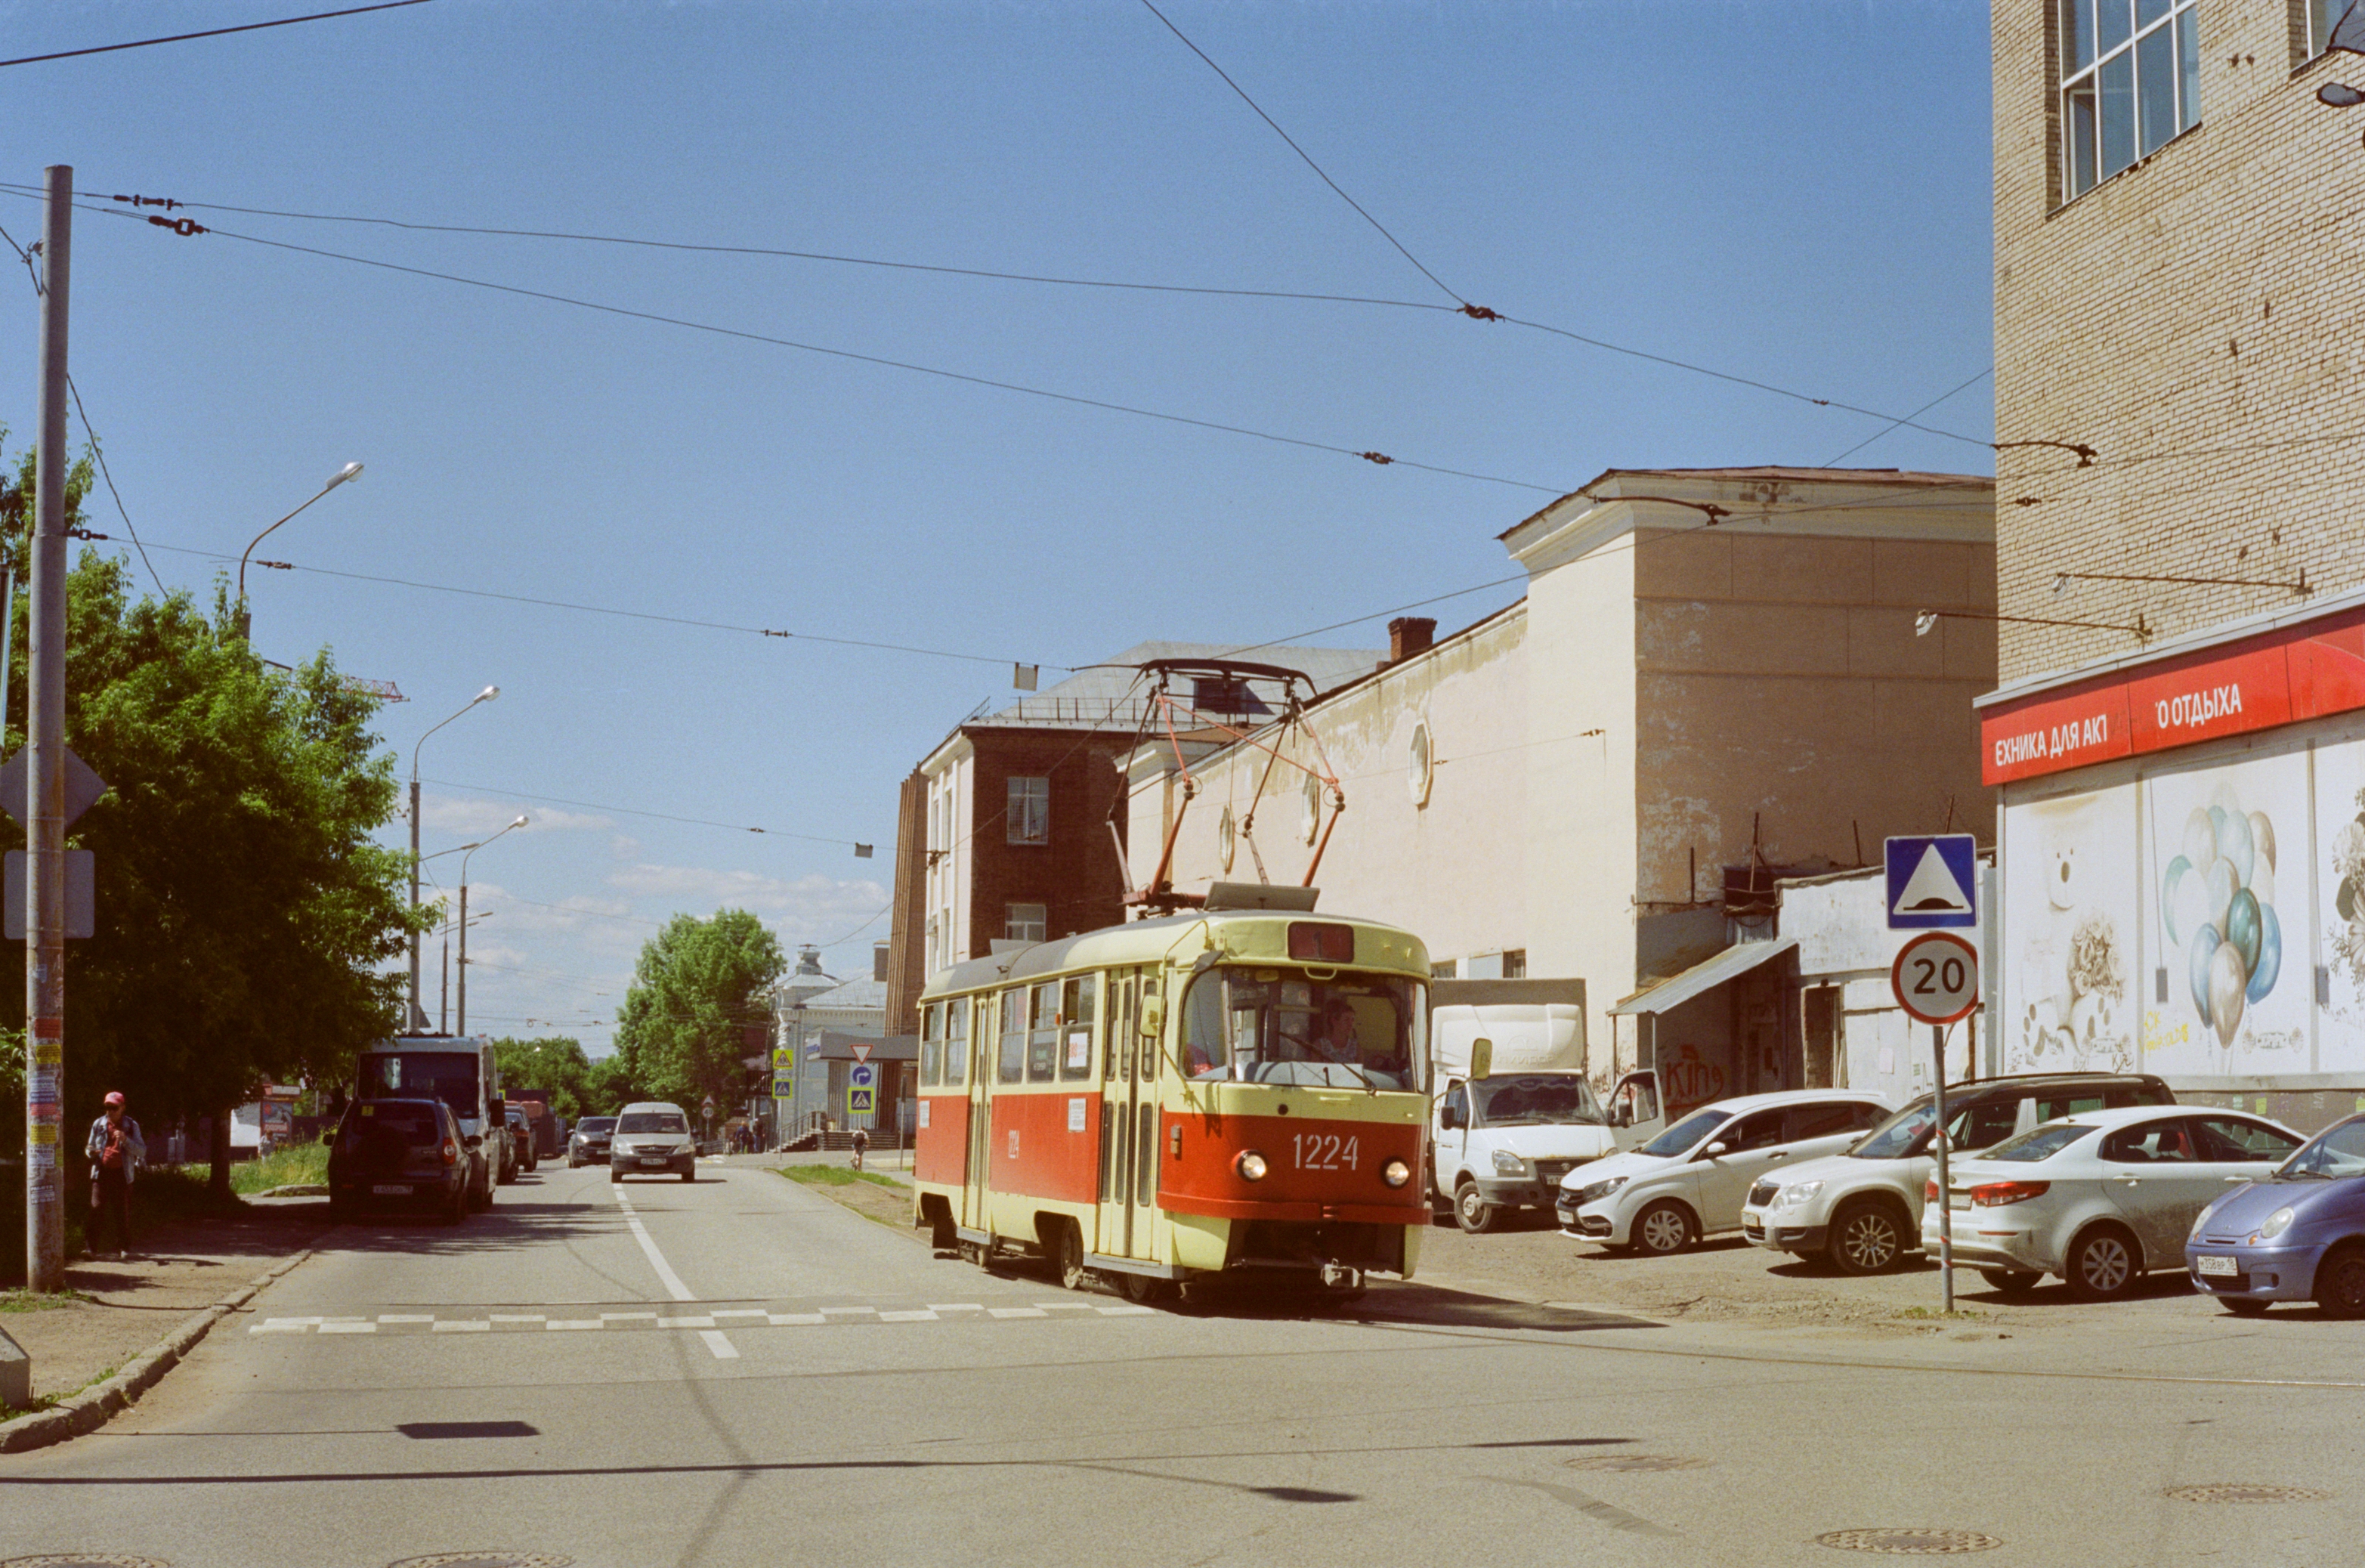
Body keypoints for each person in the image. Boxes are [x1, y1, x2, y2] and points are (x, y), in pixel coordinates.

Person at [85, 1091, 146, 1260]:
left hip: (122, 1174)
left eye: (114, 1107)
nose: (110, 1111)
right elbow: (89, 1147)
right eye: (107, 1107)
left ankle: (123, 1248)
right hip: (101, 1173)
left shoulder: (131, 1126)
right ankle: (91, 1249)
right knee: (96, 1209)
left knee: (121, 1212)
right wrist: (91, 1153)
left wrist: (126, 1140)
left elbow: (141, 1151)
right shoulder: (99, 1124)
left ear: (122, 1107)